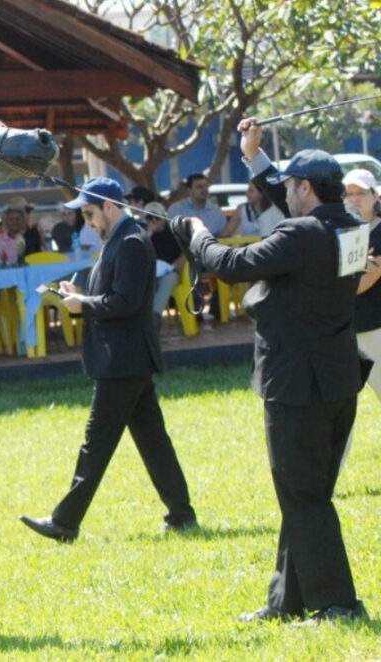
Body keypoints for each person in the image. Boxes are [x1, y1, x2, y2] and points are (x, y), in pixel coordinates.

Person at [184, 118, 371, 626]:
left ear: (305, 188)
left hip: (297, 384)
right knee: (304, 492)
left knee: (302, 495)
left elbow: (229, 265)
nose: (284, 192)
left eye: (290, 185)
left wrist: (198, 235)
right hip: (336, 379)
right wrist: (255, 156)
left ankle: (338, 604)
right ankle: (286, 600)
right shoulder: (349, 226)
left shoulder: (301, 234)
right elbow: (300, 215)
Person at [20, 177, 197, 542]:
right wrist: (79, 293)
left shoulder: (131, 242)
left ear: (110, 207)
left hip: (123, 360)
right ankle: (181, 515)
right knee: (153, 442)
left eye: (90, 214)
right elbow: (113, 293)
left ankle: (64, 522)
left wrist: (82, 305)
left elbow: (125, 302)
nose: (87, 222)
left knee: (96, 444)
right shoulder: (120, 238)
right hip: (127, 358)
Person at [344, 169, 381, 403]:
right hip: (348, 327)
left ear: (375, 196)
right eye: (349, 193)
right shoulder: (346, 231)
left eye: (361, 193)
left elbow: (364, 282)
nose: (354, 199)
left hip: (375, 327)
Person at [144, 202, 186, 327]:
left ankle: (154, 318)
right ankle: (146, 320)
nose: (153, 221)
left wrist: (173, 267)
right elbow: (138, 252)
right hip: (150, 272)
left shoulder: (174, 232)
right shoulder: (142, 232)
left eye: (157, 217)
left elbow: (185, 253)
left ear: (163, 217)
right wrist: (149, 233)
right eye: (149, 217)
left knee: (169, 279)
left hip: (171, 270)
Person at [167, 173, 228, 237]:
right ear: (189, 190)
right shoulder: (176, 209)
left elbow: (223, 237)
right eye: (199, 187)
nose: (204, 190)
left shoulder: (217, 211)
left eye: (206, 186)